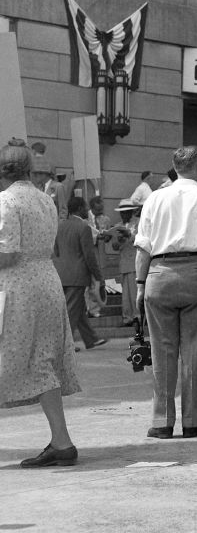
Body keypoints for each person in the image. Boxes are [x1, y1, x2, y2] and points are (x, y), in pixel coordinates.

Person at [134, 145, 197, 439]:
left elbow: (143, 247)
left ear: (176, 168)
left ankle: (161, 421)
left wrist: (140, 285)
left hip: (159, 274)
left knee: (161, 350)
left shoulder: (154, 198)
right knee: (195, 351)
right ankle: (192, 421)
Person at [0, 139, 82, 468]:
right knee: (42, 361)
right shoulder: (44, 200)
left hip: (16, 289)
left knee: (10, 357)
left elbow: (7, 252)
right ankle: (61, 441)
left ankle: (62, 443)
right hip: (47, 283)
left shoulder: (6, 201)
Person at [52, 196, 107, 351]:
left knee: (78, 309)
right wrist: (98, 276)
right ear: (79, 208)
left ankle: (91, 339)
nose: (86, 210)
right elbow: (89, 256)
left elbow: (56, 250)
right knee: (71, 311)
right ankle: (63, 346)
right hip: (78, 275)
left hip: (62, 274)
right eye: (84, 207)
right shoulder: (84, 228)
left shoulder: (60, 226)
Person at [112, 200, 141, 327]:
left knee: (135, 292)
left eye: (126, 212)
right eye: (122, 213)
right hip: (124, 263)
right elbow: (114, 246)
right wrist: (118, 239)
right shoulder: (117, 226)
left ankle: (138, 317)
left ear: (131, 212)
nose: (123, 215)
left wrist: (128, 235)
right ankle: (127, 317)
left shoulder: (138, 223)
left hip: (135, 262)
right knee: (126, 295)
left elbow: (140, 239)